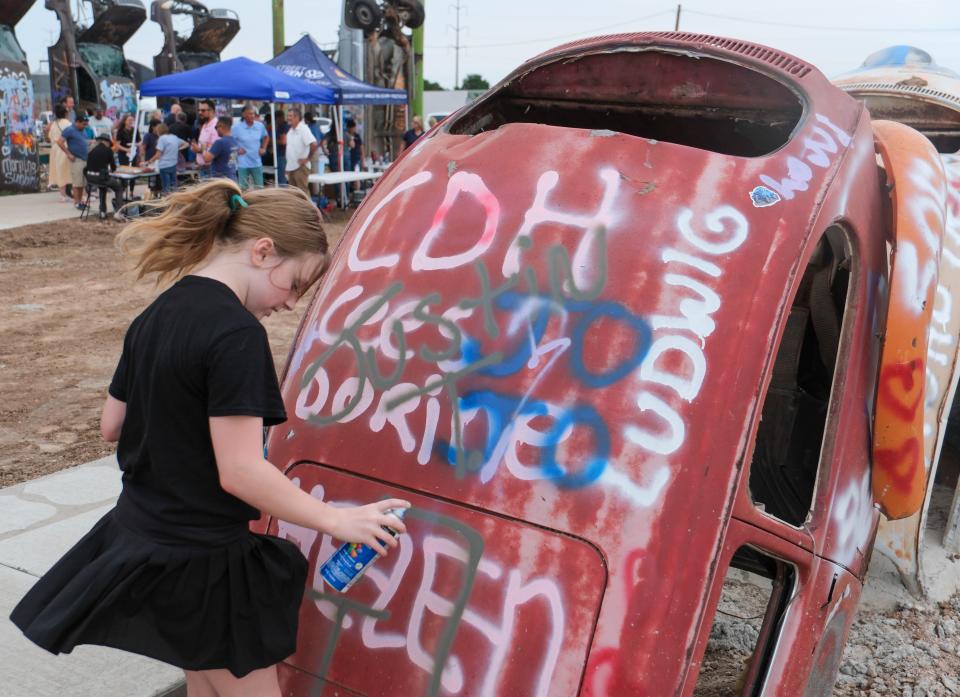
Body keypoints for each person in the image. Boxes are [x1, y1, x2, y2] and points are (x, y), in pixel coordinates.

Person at [10, 178, 410, 696]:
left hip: (146, 543)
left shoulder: (157, 313)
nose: (291, 305)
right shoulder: (237, 336)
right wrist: (337, 519)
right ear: (263, 251)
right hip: (204, 563)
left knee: (204, 684)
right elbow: (241, 470)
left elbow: (112, 425)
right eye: (294, 285)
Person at [84, 133, 122, 219]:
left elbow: (88, 166)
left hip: (90, 178)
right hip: (101, 178)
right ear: (106, 142)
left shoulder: (92, 150)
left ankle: (102, 211)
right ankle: (118, 212)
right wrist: (111, 170)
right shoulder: (108, 150)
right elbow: (113, 168)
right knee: (119, 187)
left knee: (103, 188)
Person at [57, 113, 90, 210]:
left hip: (85, 158)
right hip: (76, 159)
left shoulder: (83, 130)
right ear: (77, 122)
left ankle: (80, 201)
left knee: (82, 183)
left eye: (86, 124)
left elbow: (83, 141)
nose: (85, 126)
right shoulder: (70, 130)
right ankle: (76, 202)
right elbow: (59, 141)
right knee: (77, 182)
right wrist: (68, 154)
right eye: (83, 124)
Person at [234, 105, 269, 190]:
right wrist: (237, 149)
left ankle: (259, 203)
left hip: (256, 162)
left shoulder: (260, 126)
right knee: (243, 189)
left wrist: (263, 148)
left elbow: (266, 137)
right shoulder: (236, 127)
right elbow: (230, 141)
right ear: (244, 115)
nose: (252, 116)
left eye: (253, 114)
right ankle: (244, 203)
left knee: (259, 188)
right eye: (250, 114)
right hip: (243, 164)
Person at [284, 108, 317, 196]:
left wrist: (307, 159)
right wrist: (287, 167)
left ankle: (307, 210)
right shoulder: (291, 130)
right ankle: (297, 210)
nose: (288, 118)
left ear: (297, 117)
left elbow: (314, 144)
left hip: (300, 167)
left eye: (290, 116)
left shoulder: (303, 129)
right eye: (288, 116)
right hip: (292, 167)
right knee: (293, 194)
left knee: (302, 193)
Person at [149, 123, 189, 195]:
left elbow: (158, 155)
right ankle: (174, 203)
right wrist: (178, 149)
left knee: (166, 189)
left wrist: (149, 161)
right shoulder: (174, 137)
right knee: (173, 188)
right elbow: (186, 144)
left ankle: (167, 204)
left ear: (159, 131)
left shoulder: (162, 139)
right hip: (173, 165)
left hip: (164, 166)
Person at [196, 116, 239, 181]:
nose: (216, 130)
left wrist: (203, 148)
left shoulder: (220, 142)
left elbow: (207, 159)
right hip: (232, 178)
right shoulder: (234, 141)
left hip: (221, 181)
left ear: (221, 126)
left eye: (216, 127)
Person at [47, 104, 73, 202]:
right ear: (65, 113)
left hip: (55, 150)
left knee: (59, 172)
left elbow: (50, 137)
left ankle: (63, 195)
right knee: (69, 171)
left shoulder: (53, 124)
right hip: (65, 148)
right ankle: (75, 193)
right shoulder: (68, 123)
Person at [195, 100, 220, 175]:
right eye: (198, 110)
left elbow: (216, 150)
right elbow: (205, 145)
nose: (200, 113)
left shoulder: (216, 126)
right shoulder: (205, 124)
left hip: (210, 168)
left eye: (203, 110)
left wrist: (199, 150)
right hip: (204, 168)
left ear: (212, 111)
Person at [274, 110, 289, 186]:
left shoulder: (283, 127)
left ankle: (283, 195)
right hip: (283, 155)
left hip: (282, 155)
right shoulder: (284, 126)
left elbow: (283, 141)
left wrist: (273, 141)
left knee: (282, 179)